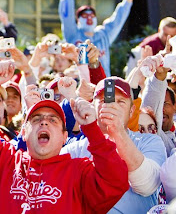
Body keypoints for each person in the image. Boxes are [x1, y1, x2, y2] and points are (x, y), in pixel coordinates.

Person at [0, 60, 129, 213]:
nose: (44, 122)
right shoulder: (2, 158)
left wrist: (91, 129)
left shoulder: (78, 171)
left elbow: (115, 181)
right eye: (36, 119)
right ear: (24, 132)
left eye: (53, 120)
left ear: (64, 137)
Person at [61, 76, 167, 213]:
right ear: (93, 105)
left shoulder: (150, 141)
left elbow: (147, 185)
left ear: (131, 111)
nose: (112, 106)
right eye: (105, 100)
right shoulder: (74, 150)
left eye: (120, 102)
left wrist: (117, 131)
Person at [59, 0, 140, 76]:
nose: (89, 18)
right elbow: (66, 16)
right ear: (78, 20)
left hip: (103, 85)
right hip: (81, 84)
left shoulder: (103, 35)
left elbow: (118, 19)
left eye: (92, 15)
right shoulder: (73, 34)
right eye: (84, 15)